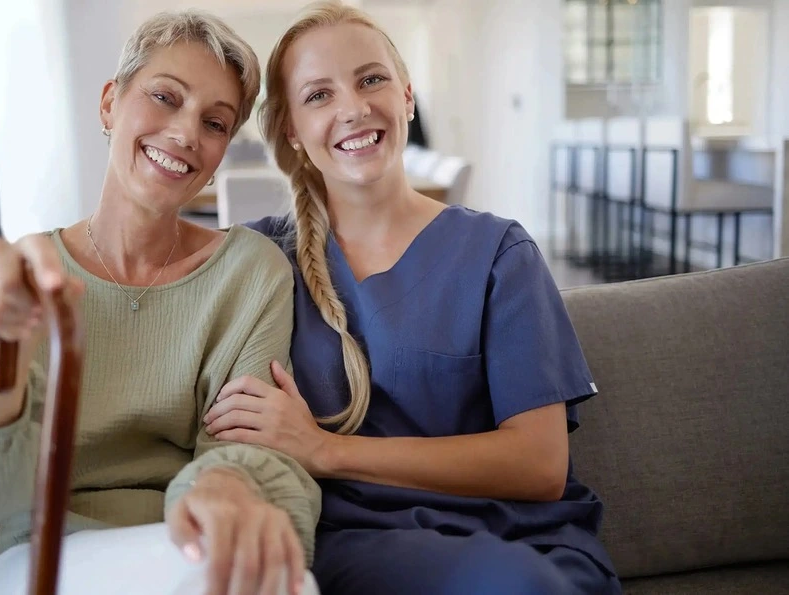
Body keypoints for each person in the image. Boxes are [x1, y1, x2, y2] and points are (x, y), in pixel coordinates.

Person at [201, 2, 622, 593]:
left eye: (371, 79)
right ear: (291, 129)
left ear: (407, 97)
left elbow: (540, 466)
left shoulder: (498, 251)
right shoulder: (262, 260)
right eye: (319, 95)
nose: (353, 107)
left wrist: (326, 450)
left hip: (531, 540)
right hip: (366, 544)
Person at [0, 10, 320, 595]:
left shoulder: (250, 273)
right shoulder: (25, 272)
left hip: (179, 544)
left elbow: (241, 446)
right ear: (108, 104)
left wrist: (229, 490)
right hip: (33, 552)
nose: (185, 133)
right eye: (164, 96)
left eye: (215, 123)